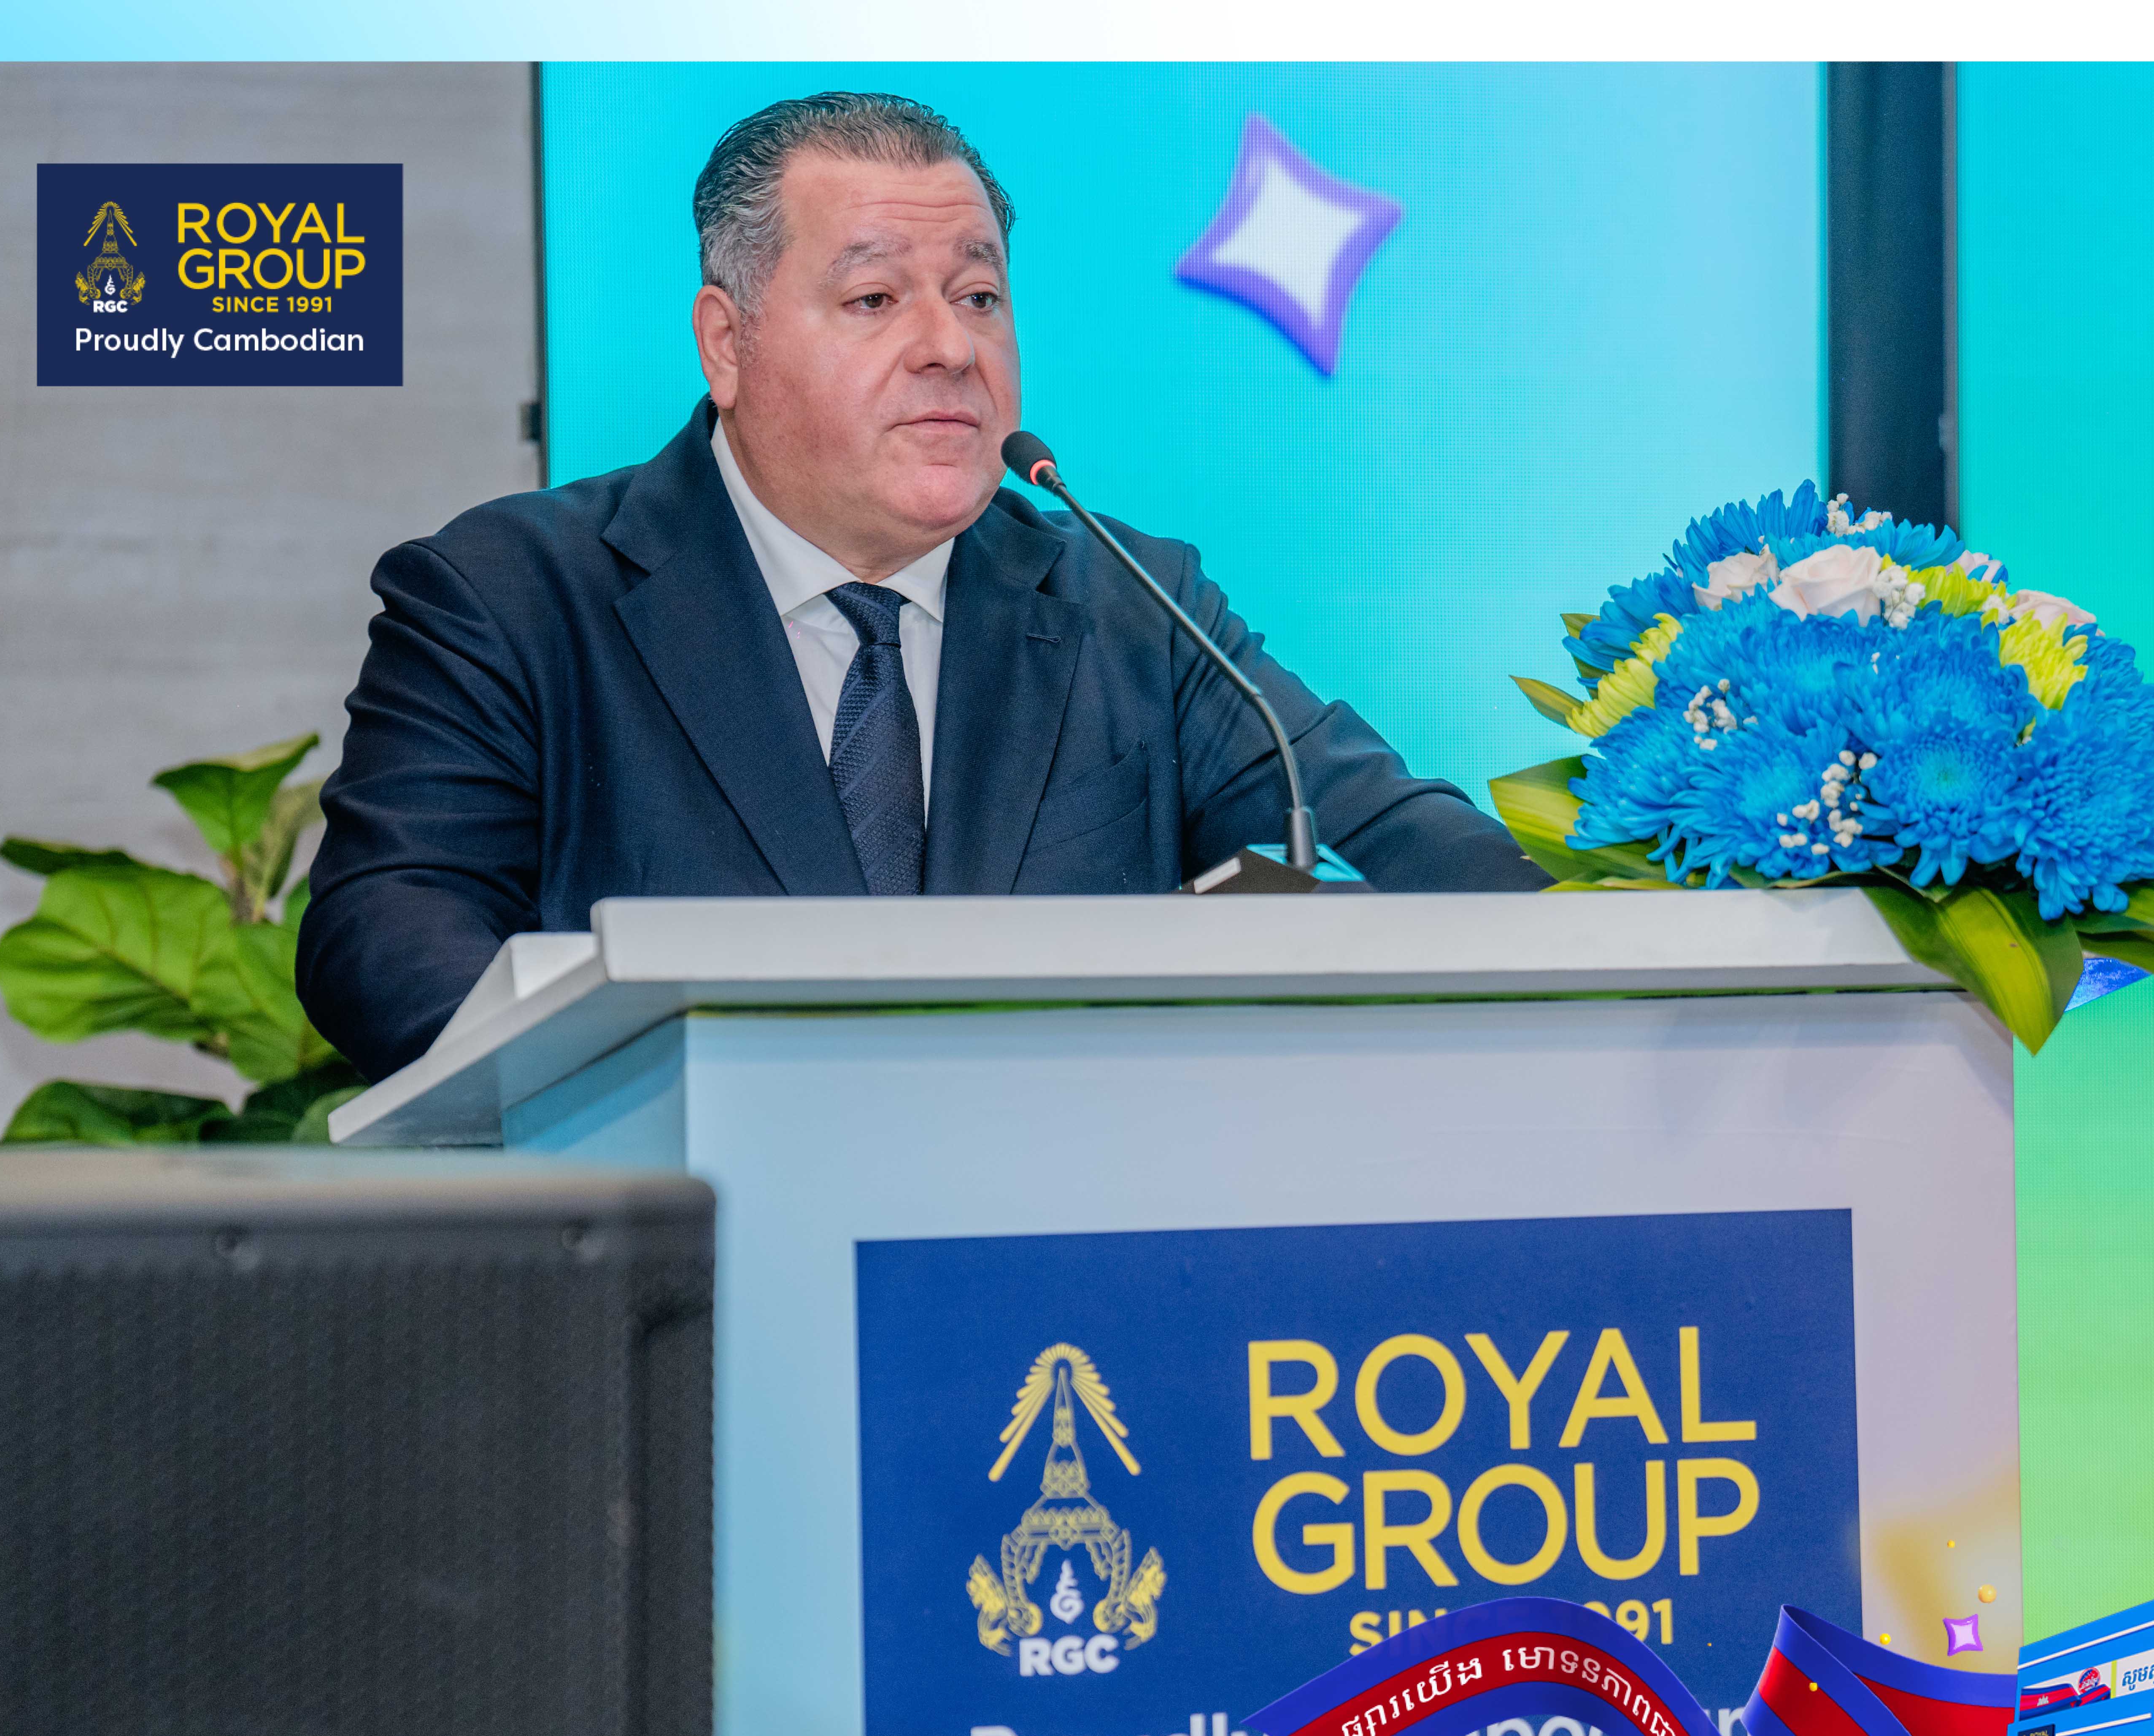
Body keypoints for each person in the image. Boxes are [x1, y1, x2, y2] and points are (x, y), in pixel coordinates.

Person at [300, 91, 1545, 1083]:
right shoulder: (514, 597)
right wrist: (629, 1082)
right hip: (680, 1266)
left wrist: (1616, 941)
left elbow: (1387, 840)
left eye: (979, 296)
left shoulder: (1133, 607)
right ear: (727, 344)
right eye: (876, 298)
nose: (950, 347)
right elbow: (388, 932)